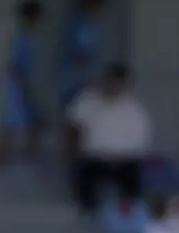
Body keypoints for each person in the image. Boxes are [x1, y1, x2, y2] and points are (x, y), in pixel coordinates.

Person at [65, 63, 151, 214]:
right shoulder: (88, 101)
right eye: (111, 82)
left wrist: (121, 157)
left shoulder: (135, 109)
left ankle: (130, 210)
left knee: (133, 178)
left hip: (124, 160)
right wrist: (75, 151)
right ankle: (87, 208)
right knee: (83, 172)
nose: (114, 87)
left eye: (119, 83)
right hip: (94, 157)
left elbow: (141, 139)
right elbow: (73, 125)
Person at [0, 0, 45, 164]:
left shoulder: (26, 37)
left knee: (28, 122)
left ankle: (27, 155)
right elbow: (16, 66)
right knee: (13, 122)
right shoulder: (22, 38)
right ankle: (5, 157)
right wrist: (25, 88)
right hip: (18, 84)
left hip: (20, 83)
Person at [55, 0, 109, 111]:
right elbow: (80, 57)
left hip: (82, 86)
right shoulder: (83, 27)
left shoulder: (94, 26)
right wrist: (91, 82)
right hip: (75, 86)